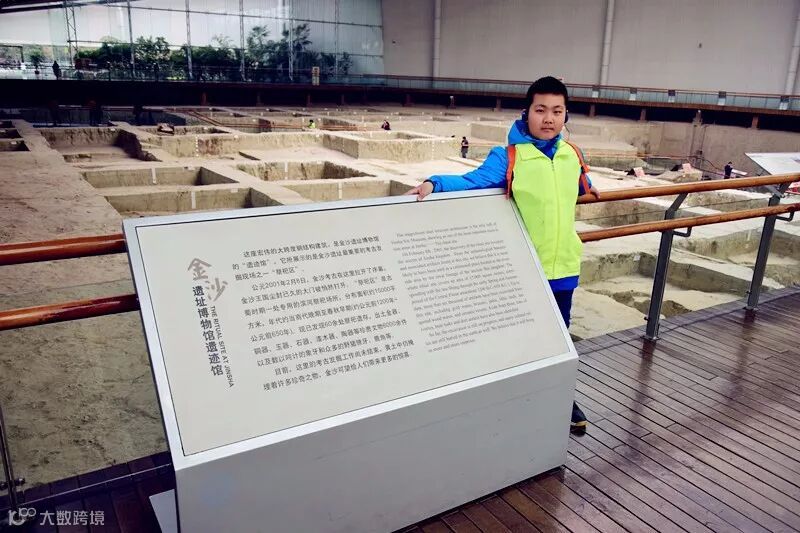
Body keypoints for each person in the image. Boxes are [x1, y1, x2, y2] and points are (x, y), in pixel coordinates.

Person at [406, 76, 599, 435]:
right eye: (540, 110)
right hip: (525, 271)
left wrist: (590, 187)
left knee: (559, 340)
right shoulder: (509, 156)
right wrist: (435, 183)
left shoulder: (571, 154)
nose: (548, 118)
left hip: (565, 269)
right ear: (526, 113)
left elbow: (579, 183)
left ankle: (562, 398)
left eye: (557, 111)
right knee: (520, 342)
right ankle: (517, 404)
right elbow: (473, 181)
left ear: (566, 115)